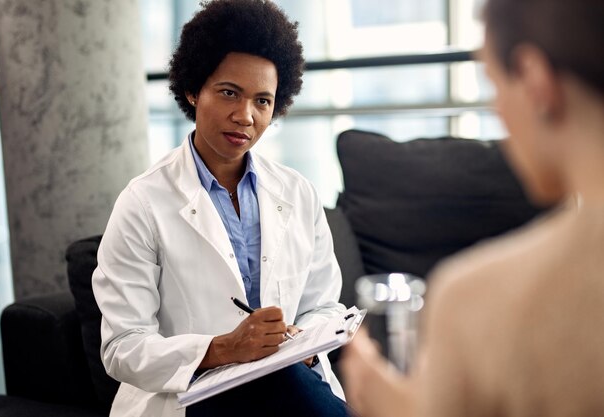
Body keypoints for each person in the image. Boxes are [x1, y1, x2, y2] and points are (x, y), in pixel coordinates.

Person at [340, 0, 604, 416]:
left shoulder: (478, 302)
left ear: (536, 81)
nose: (498, 110)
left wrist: (392, 407)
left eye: (495, 85)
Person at [91, 1, 350, 416]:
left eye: (262, 101)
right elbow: (122, 347)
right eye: (229, 92)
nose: (245, 116)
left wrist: (304, 338)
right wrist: (224, 348)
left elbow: (324, 305)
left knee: (284, 380)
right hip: (190, 397)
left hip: (285, 384)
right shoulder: (141, 203)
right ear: (193, 90)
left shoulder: (297, 192)